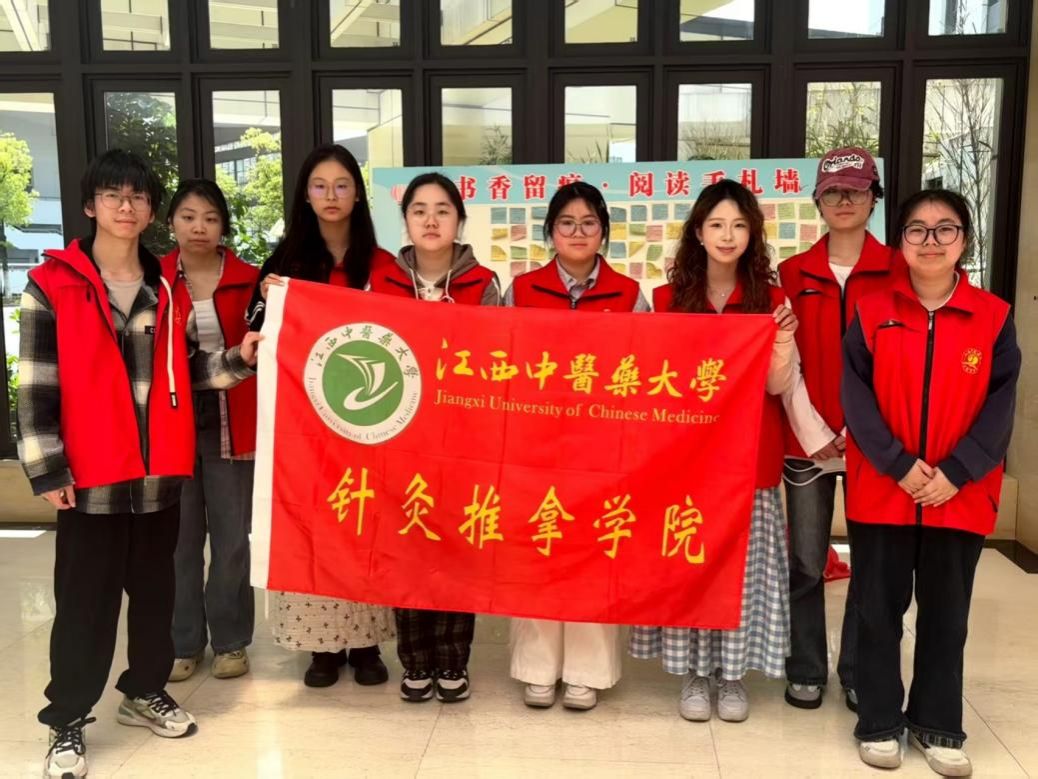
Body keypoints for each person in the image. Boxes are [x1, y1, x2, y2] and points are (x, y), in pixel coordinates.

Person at [18, 149, 260, 779]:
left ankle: (144, 691)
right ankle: (68, 717)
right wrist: (48, 468)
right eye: (113, 195)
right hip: (91, 476)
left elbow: (189, 370)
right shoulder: (52, 284)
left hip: (159, 475)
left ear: (150, 210)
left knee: (157, 594)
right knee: (85, 602)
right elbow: (36, 385)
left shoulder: (166, 288)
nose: (126, 207)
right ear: (90, 205)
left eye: (137, 197)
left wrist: (240, 358)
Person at [844, 189, 1020, 775]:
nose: (930, 241)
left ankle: (939, 724)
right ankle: (878, 722)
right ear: (901, 242)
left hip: (958, 495)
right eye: (917, 230)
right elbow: (855, 398)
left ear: (963, 240)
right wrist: (898, 465)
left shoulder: (993, 316)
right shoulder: (871, 309)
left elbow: (1001, 406)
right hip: (884, 490)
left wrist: (958, 471)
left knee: (948, 615)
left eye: (945, 229)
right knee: (877, 612)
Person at [630, 179, 797, 723]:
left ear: (753, 235)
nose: (728, 236)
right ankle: (694, 674)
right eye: (717, 225)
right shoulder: (666, 301)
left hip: (750, 460)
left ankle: (732, 676)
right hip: (687, 464)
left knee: (743, 573)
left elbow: (777, 386)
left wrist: (782, 339)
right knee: (691, 567)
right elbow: (652, 382)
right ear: (698, 233)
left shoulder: (773, 301)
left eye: (740, 225)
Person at [247, 144, 396, 688]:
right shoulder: (283, 264)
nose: (330, 195)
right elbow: (255, 333)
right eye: (319, 185)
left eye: (341, 185)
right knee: (313, 525)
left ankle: (367, 643)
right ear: (304, 196)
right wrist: (270, 304)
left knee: (364, 524)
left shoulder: (383, 266)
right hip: (304, 427)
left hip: (370, 423)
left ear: (358, 194)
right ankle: (320, 647)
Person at [505, 181, 648, 712]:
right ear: (550, 232)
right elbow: (501, 362)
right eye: (566, 222)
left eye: (589, 223)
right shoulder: (521, 289)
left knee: (593, 552)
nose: (578, 232)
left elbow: (647, 367)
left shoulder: (630, 294)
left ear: (604, 232)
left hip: (601, 448)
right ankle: (537, 668)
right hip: (535, 445)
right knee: (540, 548)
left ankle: (588, 671)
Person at [370, 171, 501, 704]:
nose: (430, 220)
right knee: (407, 544)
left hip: (463, 438)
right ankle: (415, 660)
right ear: (405, 221)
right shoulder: (381, 282)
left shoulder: (484, 283)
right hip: (399, 435)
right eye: (419, 210)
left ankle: (453, 659)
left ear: (459, 221)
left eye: (442, 210)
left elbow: (497, 357)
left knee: (455, 546)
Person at [778, 146, 900, 711]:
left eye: (856, 190)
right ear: (818, 202)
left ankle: (856, 669)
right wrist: (814, 430)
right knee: (806, 562)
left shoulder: (899, 270)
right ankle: (805, 667)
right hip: (806, 441)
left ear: (874, 199)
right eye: (833, 192)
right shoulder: (792, 272)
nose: (844, 200)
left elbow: (902, 365)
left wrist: (864, 431)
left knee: (870, 566)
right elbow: (785, 361)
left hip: (878, 447)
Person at [162, 179, 259, 682]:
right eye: (188, 216)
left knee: (231, 539)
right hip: (171, 424)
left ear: (224, 226)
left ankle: (230, 641)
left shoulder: (252, 281)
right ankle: (182, 642)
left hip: (233, 419)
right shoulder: (152, 279)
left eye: (211, 218)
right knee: (178, 543)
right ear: (171, 223)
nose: (199, 227)